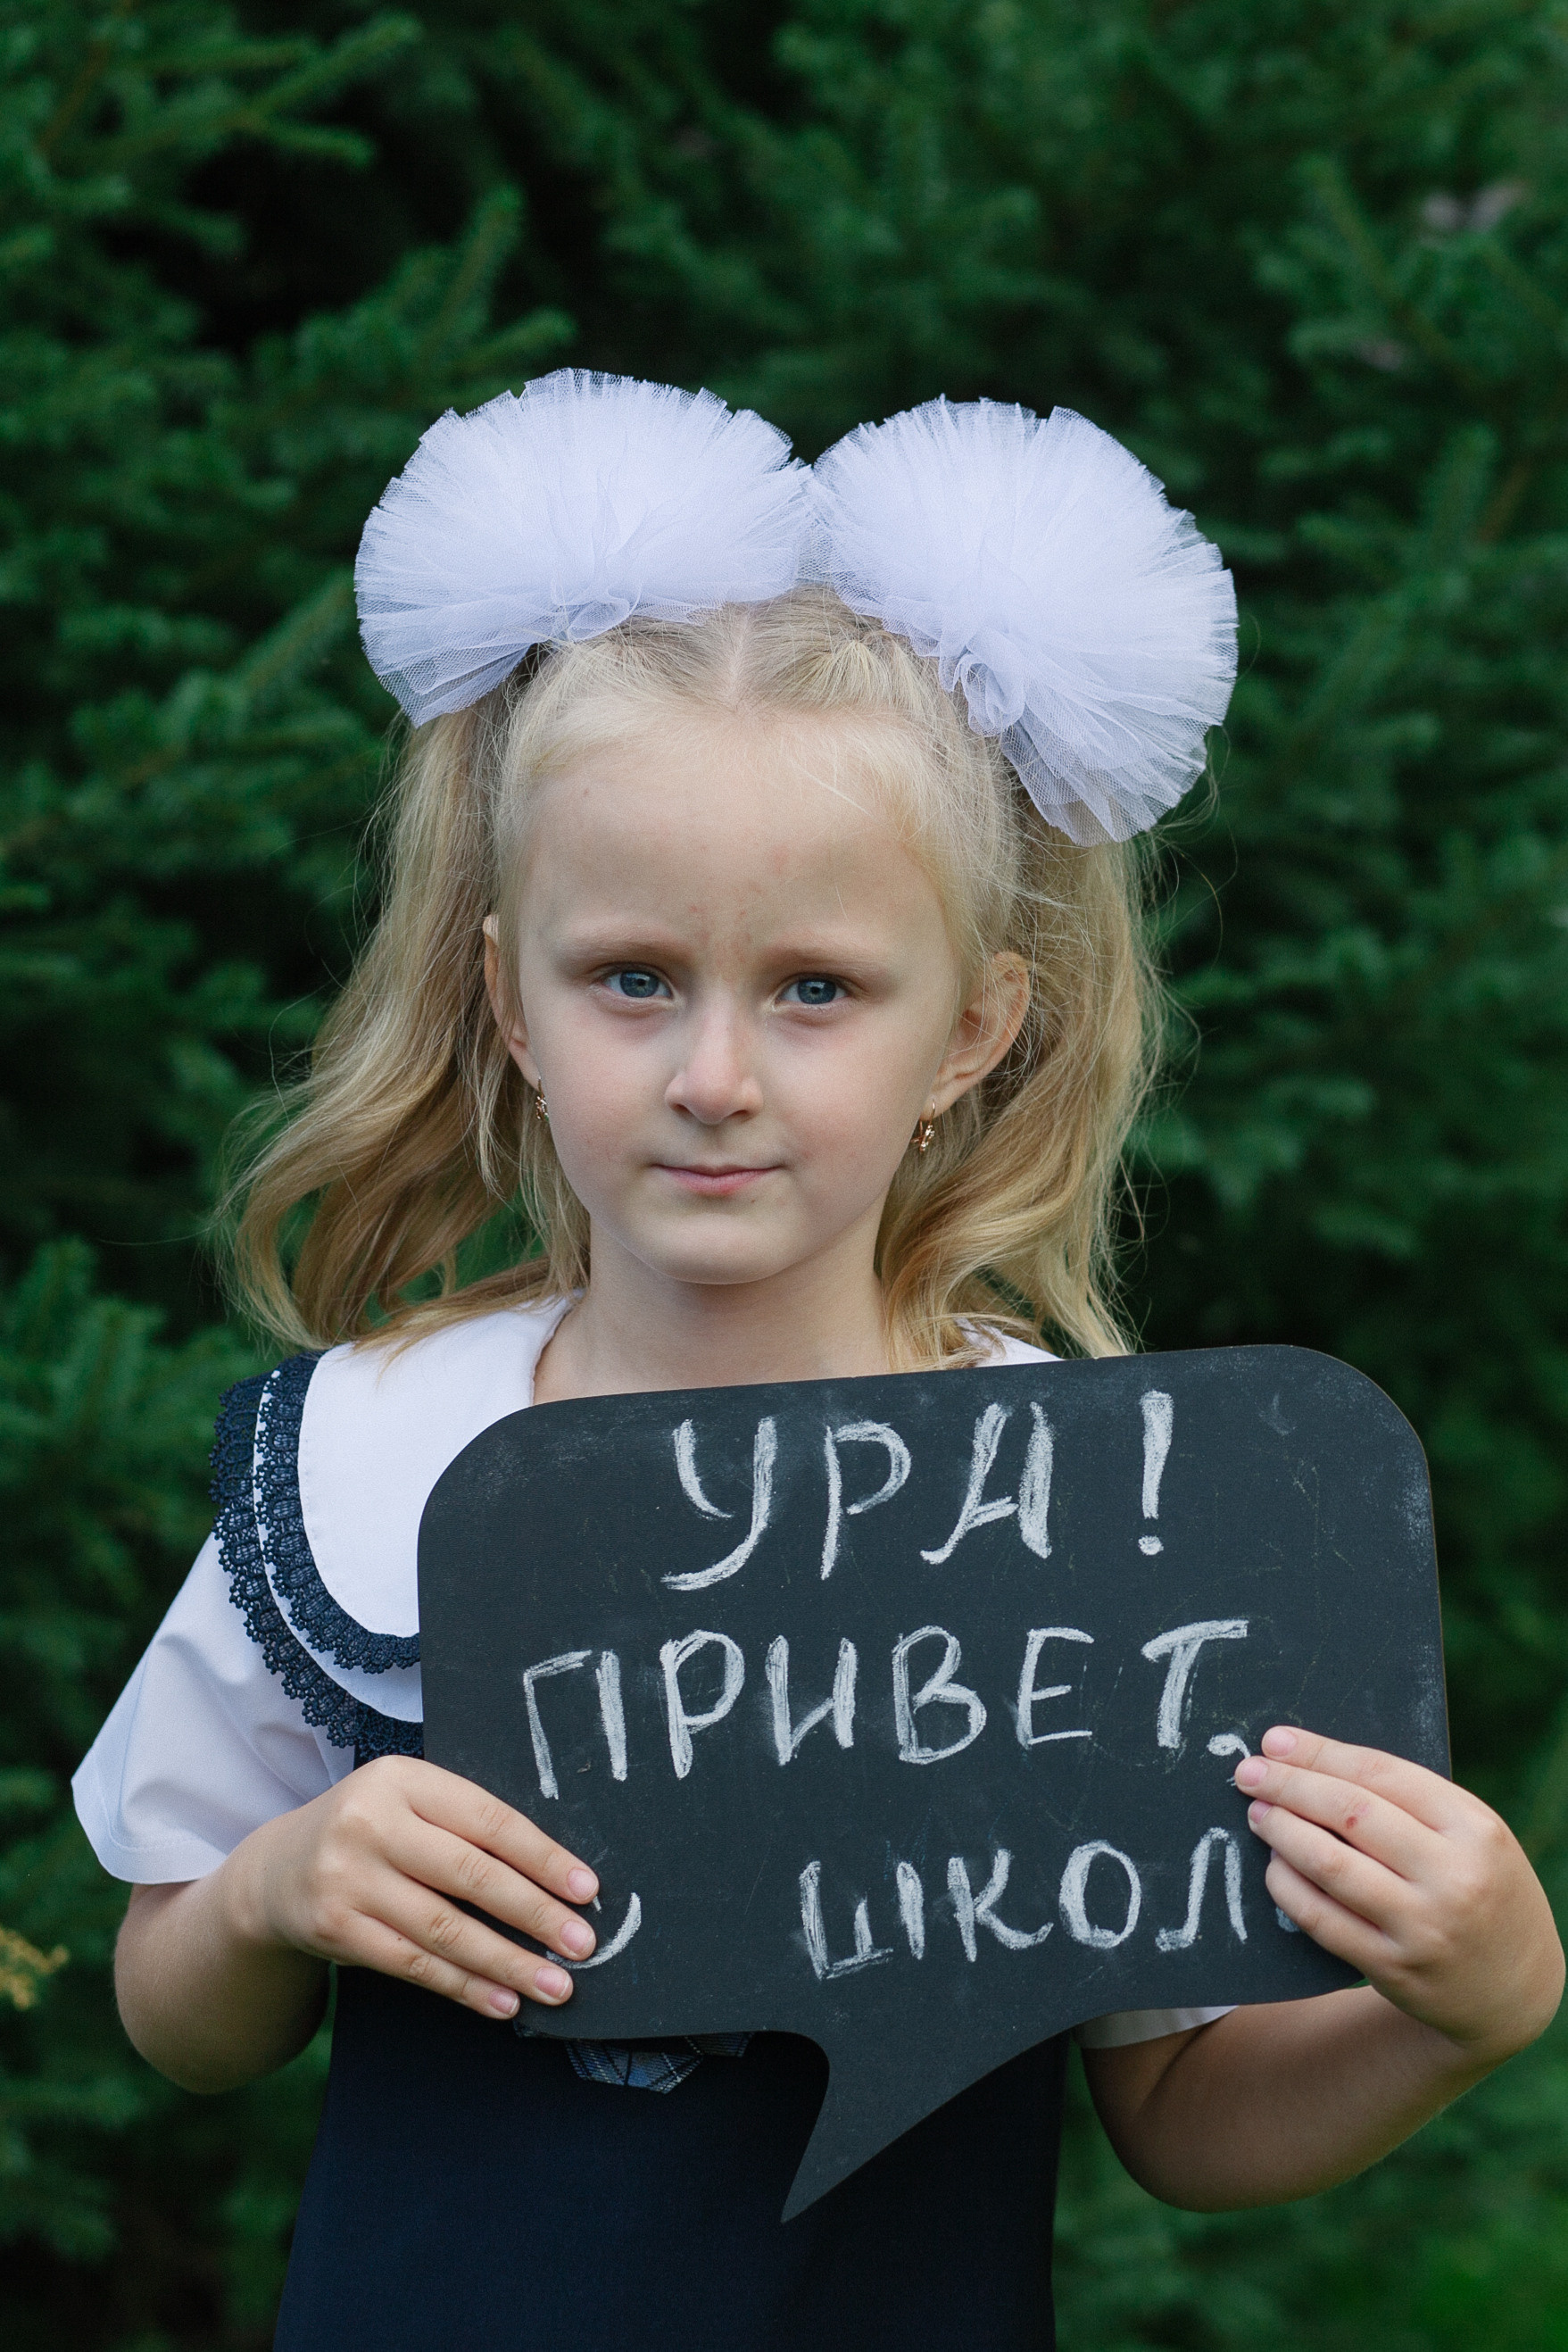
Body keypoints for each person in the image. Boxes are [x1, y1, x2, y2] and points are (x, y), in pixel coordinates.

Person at [73, 374, 1562, 2349]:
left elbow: (1188, 2114)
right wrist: (275, 1889)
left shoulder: (1086, 1515)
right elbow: (176, 2004)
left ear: (974, 1030)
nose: (714, 1074)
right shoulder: (371, 1465)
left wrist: (1470, 2007)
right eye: (630, 978)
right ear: (506, 997)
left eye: (815, 990)